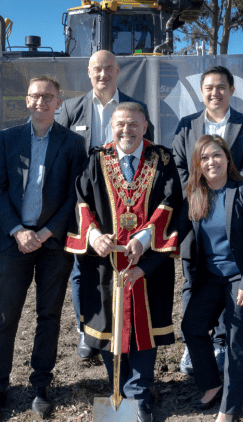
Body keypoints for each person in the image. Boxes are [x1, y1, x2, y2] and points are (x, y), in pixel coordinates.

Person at [65, 102, 180, 422]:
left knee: (146, 329)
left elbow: (171, 202)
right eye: (120, 125)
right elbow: (81, 200)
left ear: (145, 126)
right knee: (106, 328)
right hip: (103, 263)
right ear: (110, 127)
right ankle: (118, 395)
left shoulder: (164, 159)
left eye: (133, 124)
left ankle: (139, 395)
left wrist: (143, 241)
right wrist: (92, 235)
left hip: (148, 264)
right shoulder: (96, 158)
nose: (126, 130)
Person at [0, 76, 87, 421]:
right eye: (35, 96)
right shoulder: (8, 139)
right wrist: (17, 230)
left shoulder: (73, 143)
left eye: (49, 97)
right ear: (26, 100)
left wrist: (44, 232)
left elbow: (74, 194)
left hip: (53, 244)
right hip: (14, 242)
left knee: (49, 316)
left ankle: (41, 385)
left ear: (59, 103)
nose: (41, 102)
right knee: (4, 316)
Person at [56, 49, 155, 359]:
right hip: (83, 203)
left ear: (118, 71)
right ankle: (87, 331)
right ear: (89, 72)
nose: (103, 74)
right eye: (97, 69)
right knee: (81, 269)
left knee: (121, 266)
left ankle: (120, 326)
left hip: (127, 205)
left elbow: (150, 153)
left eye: (108, 68)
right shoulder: (71, 109)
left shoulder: (136, 109)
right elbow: (59, 158)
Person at [172, 65, 243, 375]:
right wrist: (199, 195)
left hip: (232, 220)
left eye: (221, 87)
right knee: (193, 280)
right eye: (209, 87)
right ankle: (192, 344)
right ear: (201, 92)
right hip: (195, 217)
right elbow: (179, 168)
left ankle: (221, 342)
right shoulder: (186, 126)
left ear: (231, 90)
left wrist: (225, 196)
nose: (215, 92)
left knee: (227, 280)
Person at [179, 135, 243, 422]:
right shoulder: (195, 194)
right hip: (210, 279)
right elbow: (177, 234)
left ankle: (229, 409)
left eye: (216, 155)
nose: (211, 162)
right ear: (198, 164)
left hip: (240, 278)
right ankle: (211, 384)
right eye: (204, 158)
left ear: (227, 158)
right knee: (192, 327)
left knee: (236, 344)